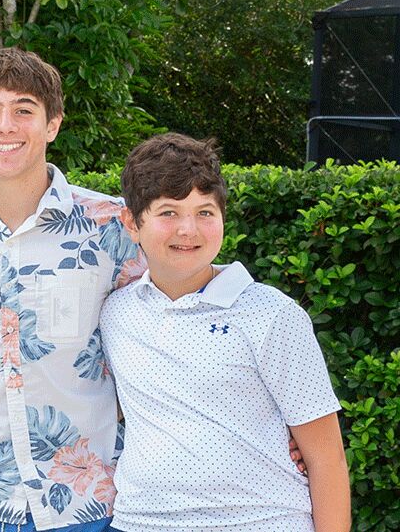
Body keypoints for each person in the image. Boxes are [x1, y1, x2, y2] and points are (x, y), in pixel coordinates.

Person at [0, 48, 143, 531]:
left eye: (24, 109)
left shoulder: (114, 226)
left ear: (53, 124)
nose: (6, 125)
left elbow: (161, 335)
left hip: (83, 499)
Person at [99, 133, 350, 532]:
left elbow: (326, 458)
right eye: (168, 213)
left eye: (204, 212)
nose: (188, 230)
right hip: (140, 523)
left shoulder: (272, 315)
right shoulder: (116, 313)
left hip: (261, 521)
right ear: (132, 223)